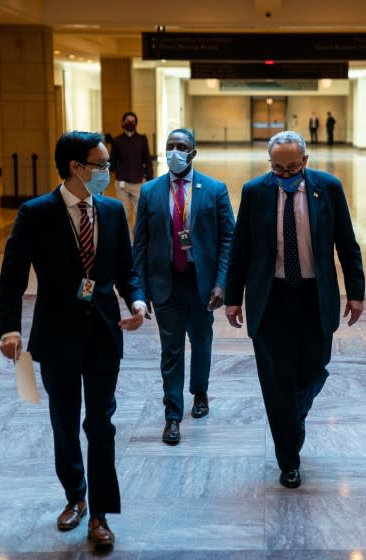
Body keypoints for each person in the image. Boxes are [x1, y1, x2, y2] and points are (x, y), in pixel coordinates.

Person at [0, 131, 147, 549]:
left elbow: (126, 269)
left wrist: (135, 301)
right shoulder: (36, 213)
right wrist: (8, 328)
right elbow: (11, 277)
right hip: (57, 335)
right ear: (76, 168)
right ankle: (74, 497)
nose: (107, 171)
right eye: (100, 164)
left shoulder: (114, 211)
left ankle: (100, 512)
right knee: (64, 422)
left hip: (104, 333)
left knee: (100, 423)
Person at [224, 130, 364, 489]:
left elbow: (347, 243)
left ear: (305, 161)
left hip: (315, 295)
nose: (284, 176)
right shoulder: (255, 192)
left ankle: (292, 417)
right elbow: (240, 248)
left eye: (291, 168)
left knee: (314, 371)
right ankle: (288, 458)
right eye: (277, 169)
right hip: (271, 299)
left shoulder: (328, 188)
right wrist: (231, 297)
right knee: (277, 382)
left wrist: (356, 293)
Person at [133, 128, 235, 445]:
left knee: (201, 342)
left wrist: (221, 283)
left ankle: (200, 392)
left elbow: (228, 240)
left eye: (181, 146)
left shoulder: (214, 190)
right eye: (169, 146)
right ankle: (172, 416)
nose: (174, 152)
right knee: (171, 351)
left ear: (193, 152)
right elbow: (140, 245)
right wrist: (139, 291)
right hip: (166, 283)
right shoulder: (150, 192)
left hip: (201, 283)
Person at [110, 111, 154, 226]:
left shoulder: (142, 140)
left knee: (140, 214)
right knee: (123, 215)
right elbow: (112, 163)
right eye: (127, 121)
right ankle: (128, 241)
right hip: (121, 184)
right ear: (123, 123)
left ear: (136, 123)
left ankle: (138, 241)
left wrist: (150, 180)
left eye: (133, 121)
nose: (130, 123)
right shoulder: (116, 141)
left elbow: (147, 160)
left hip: (138, 183)